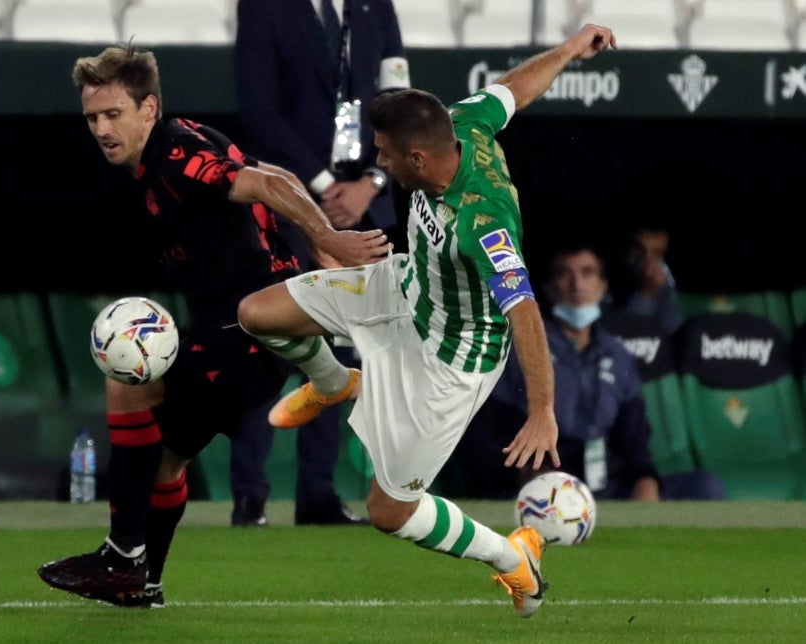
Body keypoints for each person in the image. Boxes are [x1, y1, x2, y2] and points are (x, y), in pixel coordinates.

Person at [236, 24, 619, 618]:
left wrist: (543, 412)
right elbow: (512, 91)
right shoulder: (462, 121)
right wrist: (569, 50)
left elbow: (525, 314)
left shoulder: (483, 221)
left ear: (417, 157)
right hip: (401, 286)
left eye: (385, 153)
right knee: (256, 313)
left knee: (389, 512)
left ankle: (511, 558)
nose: (377, 162)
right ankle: (336, 382)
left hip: (449, 362)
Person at [37, 43, 389, 608]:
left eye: (113, 114)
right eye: (93, 118)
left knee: (129, 383)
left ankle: (124, 557)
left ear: (148, 109)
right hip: (244, 332)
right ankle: (140, 580)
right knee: (164, 456)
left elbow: (268, 185)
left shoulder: (175, 159)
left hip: (244, 336)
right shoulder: (185, 136)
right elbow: (272, 173)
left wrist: (327, 240)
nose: (102, 129)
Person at [231, 0, 412, 526]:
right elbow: (259, 110)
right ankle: (250, 495)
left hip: (363, 203)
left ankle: (318, 493)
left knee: (346, 344)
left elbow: (401, 104)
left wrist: (372, 183)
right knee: (273, 343)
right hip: (289, 202)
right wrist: (323, 189)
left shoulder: (375, 7)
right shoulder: (264, 7)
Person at [450, 242, 725, 501]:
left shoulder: (617, 354)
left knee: (705, 486)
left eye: (587, 273)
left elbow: (634, 436)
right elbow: (487, 430)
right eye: (564, 274)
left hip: (606, 482)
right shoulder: (523, 347)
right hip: (541, 480)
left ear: (603, 286)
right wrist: (526, 473)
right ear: (548, 288)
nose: (577, 285)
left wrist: (645, 477)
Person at [606, 224, 683, 334]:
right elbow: (627, 335)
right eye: (639, 250)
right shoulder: (604, 274)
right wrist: (645, 294)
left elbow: (673, 330)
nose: (647, 260)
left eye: (657, 253)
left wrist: (648, 292)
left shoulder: (662, 278)